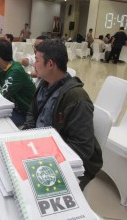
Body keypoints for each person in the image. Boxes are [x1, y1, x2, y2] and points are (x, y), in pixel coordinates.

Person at [23, 39, 102, 190]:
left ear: (50, 64)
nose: (34, 64)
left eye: (37, 60)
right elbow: (32, 113)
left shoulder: (77, 99)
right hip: (41, 146)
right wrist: (25, 139)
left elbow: (82, 148)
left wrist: (44, 157)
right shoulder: (44, 84)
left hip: (68, 161)